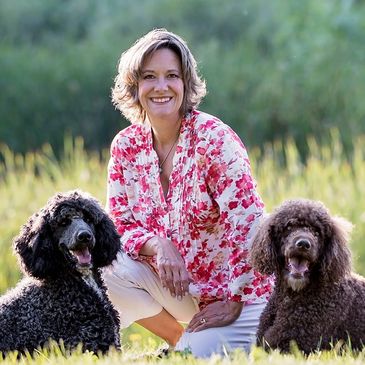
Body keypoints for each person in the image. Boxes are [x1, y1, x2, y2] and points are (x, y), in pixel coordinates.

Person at [103, 28, 273, 358]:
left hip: (238, 295)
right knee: (104, 266)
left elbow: (250, 223)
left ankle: (196, 344)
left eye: (172, 76)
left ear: (186, 83)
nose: (161, 86)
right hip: (180, 290)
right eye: (149, 76)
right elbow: (119, 228)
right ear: (135, 86)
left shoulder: (213, 139)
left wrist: (234, 299)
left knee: (191, 361)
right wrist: (158, 244)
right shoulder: (125, 147)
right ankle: (179, 338)